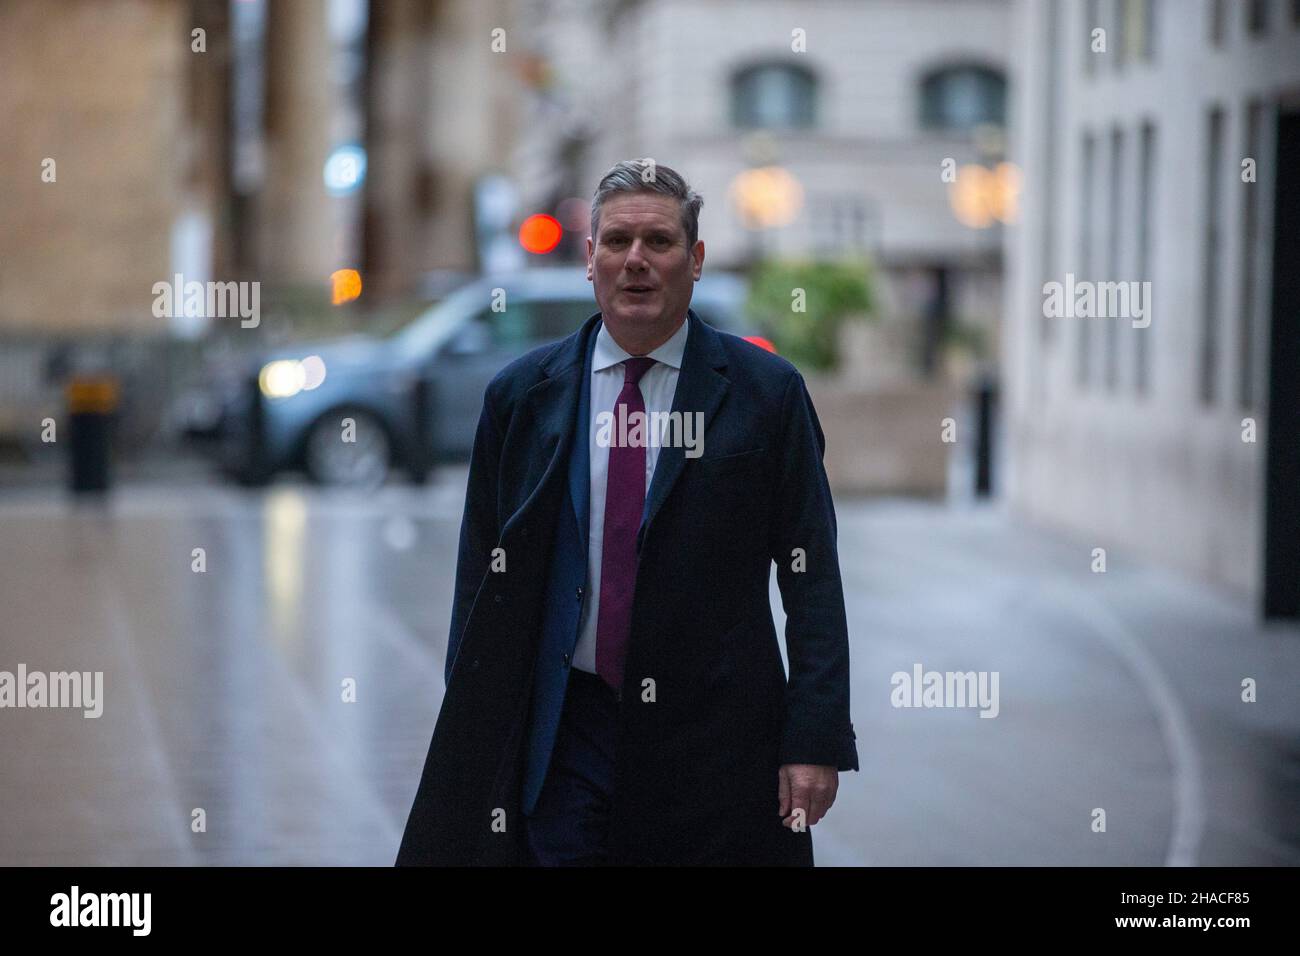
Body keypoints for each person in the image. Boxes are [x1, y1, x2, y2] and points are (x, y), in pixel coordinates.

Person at [396, 160, 857, 866]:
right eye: (616, 242)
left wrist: (814, 740)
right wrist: (479, 738)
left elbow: (813, 578)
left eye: (659, 242)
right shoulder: (523, 398)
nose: (636, 261)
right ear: (589, 260)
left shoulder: (767, 395)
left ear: (695, 259)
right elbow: (479, 584)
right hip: (568, 734)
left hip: (713, 741)